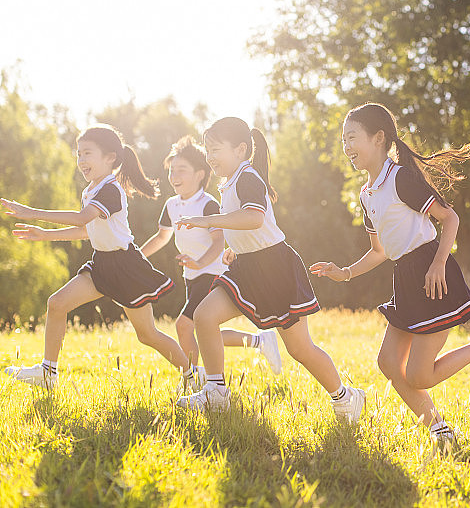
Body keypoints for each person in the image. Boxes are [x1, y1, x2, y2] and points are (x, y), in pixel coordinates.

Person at [310, 103, 470, 444]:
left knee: (420, 375)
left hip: (431, 272)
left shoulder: (401, 178)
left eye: (351, 137)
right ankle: (441, 432)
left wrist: (438, 263)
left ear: (378, 138)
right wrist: (343, 272)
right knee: (389, 363)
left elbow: (450, 219)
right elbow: (379, 251)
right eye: (342, 139)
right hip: (404, 277)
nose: (346, 147)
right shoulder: (366, 194)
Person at [175, 117, 364, 421]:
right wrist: (234, 249)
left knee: (300, 349)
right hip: (247, 267)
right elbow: (246, 227)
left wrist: (208, 221)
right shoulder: (230, 182)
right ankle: (216, 391)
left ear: (240, 149)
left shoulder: (248, 177)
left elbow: (254, 218)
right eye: (207, 150)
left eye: (215, 149)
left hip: (276, 269)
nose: (210, 157)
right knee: (203, 316)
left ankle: (345, 397)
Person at [2, 124, 196, 390]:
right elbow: (86, 229)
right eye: (78, 154)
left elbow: (82, 218)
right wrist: (43, 235)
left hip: (126, 267)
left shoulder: (111, 189)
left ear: (110, 158)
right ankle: (48, 373)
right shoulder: (91, 190)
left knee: (147, 335)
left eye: (87, 153)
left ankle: (192, 376)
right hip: (102, 264)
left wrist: (31, 212)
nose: (81, 160)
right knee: (57, 304)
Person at [139, 136, 282, 390]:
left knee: (185, 326)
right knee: (202, 330)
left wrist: (199, 262)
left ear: (200, 174)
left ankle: (196, 379)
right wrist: (138, 257)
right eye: (172, 170)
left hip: (212, 272)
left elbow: (218, 242)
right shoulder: (171, 205)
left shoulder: (208, 204)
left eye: (181, 170)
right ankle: (259, 342)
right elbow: (162, 237)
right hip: (192, 276)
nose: (174, 175)